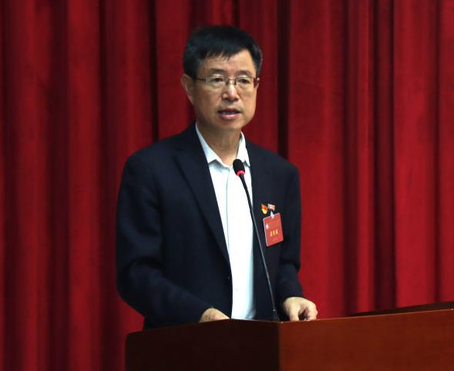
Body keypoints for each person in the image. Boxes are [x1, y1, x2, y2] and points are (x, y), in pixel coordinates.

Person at [116, 25, 317, 328]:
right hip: (184, 344)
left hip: (261, 346)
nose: (231, 93)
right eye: (217, 79)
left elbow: (283, 263)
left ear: (256, 86)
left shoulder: (280, 175)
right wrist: (201, 315)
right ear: (189, 87)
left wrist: (291, 296)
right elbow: (136, 273)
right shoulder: (151, 169)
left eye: (243, 80)